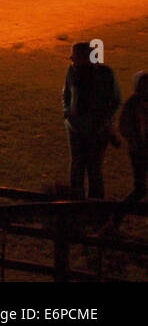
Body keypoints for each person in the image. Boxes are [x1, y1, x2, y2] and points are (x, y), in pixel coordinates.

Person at [62, 42, 122, 199]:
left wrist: (104, 121)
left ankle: (95, 202)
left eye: (75, 57)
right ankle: (76, 200)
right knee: (77, 165)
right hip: (75, 127)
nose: (72, 60)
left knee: (94, 166)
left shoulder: (105, 73)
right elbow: (66, 93)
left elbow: (115, 100)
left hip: (97, 128)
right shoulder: (72, 71)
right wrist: (67, 113)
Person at [117, 71, 148, 205]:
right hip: (139, 151)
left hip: (140, 149)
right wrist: (134, 141)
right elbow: (124, 126)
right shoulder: (132, 104)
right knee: (140, 189)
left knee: (140, 189)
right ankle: (116, 217)